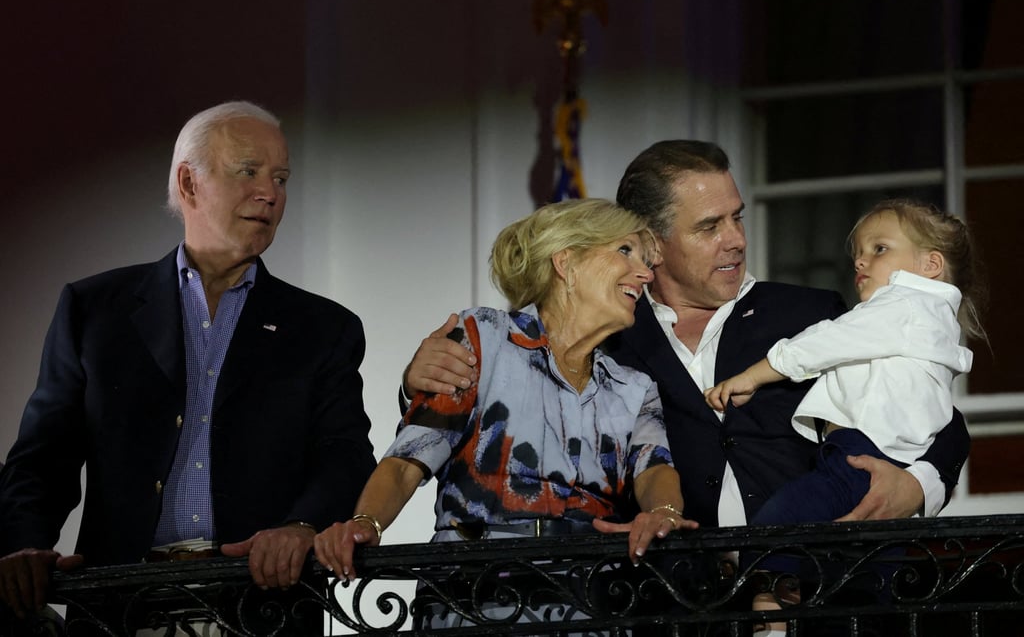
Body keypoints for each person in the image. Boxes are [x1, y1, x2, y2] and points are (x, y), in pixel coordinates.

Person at [404, 141, 970, 532]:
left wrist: (919, 484)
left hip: (816, 593)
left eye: (737, 218)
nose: (735, 240)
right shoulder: (607, 335)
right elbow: (514, 394)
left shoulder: (812, 313)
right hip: (665, 603)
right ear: (652, 241)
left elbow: (934, 408)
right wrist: (424, 379)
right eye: (709, 226)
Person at [0, 101, 377, 629]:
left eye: (281, 178)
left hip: (262, 605)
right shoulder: (93, 310)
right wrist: (24, 546)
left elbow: (346, 456)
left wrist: (300, 526)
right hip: (122, 607)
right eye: (248, 171)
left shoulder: (324, 328)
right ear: (189, 183)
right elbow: (43, 458)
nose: (270, 193)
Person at [314, 198, 698, 631]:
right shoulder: (483, 338)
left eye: (646, 262)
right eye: (625, 252)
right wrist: (367, 522)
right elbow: (409, 459)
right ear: (566, 262)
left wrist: (663, 511)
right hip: (474, 596)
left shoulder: (633, 387)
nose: (645, 275)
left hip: (589, 600)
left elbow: (655, 470)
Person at [704, 198, 984, 634]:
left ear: (931, 265)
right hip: (881, 467)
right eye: (859, 250)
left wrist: (753, 377)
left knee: (769, 534)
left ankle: (770, 615)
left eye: (880, 248)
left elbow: (825, 341)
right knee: (868, 584)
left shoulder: (904, 307)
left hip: (855, 461)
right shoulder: (924, 320)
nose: (860, 258)